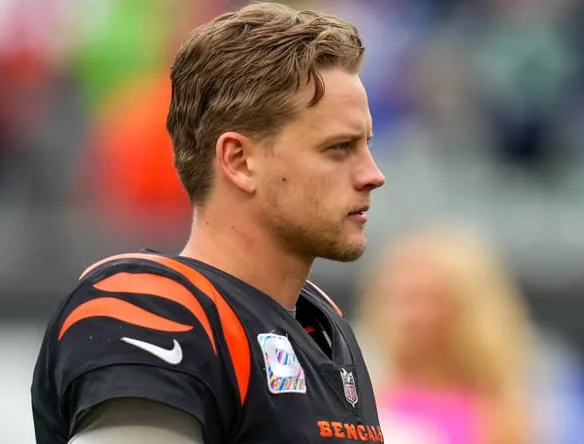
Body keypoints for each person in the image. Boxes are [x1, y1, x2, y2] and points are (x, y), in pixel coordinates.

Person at [31, 2, 386, 443]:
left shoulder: (324, 324)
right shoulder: (152, 308)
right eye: (339, 148)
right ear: (239, 161)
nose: (373, 174)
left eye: (366, 144)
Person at [356, 227, 532, 444]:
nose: (411, 315)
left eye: (430, 299)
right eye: (403, 299)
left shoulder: (495, 409)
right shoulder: (364, 393)